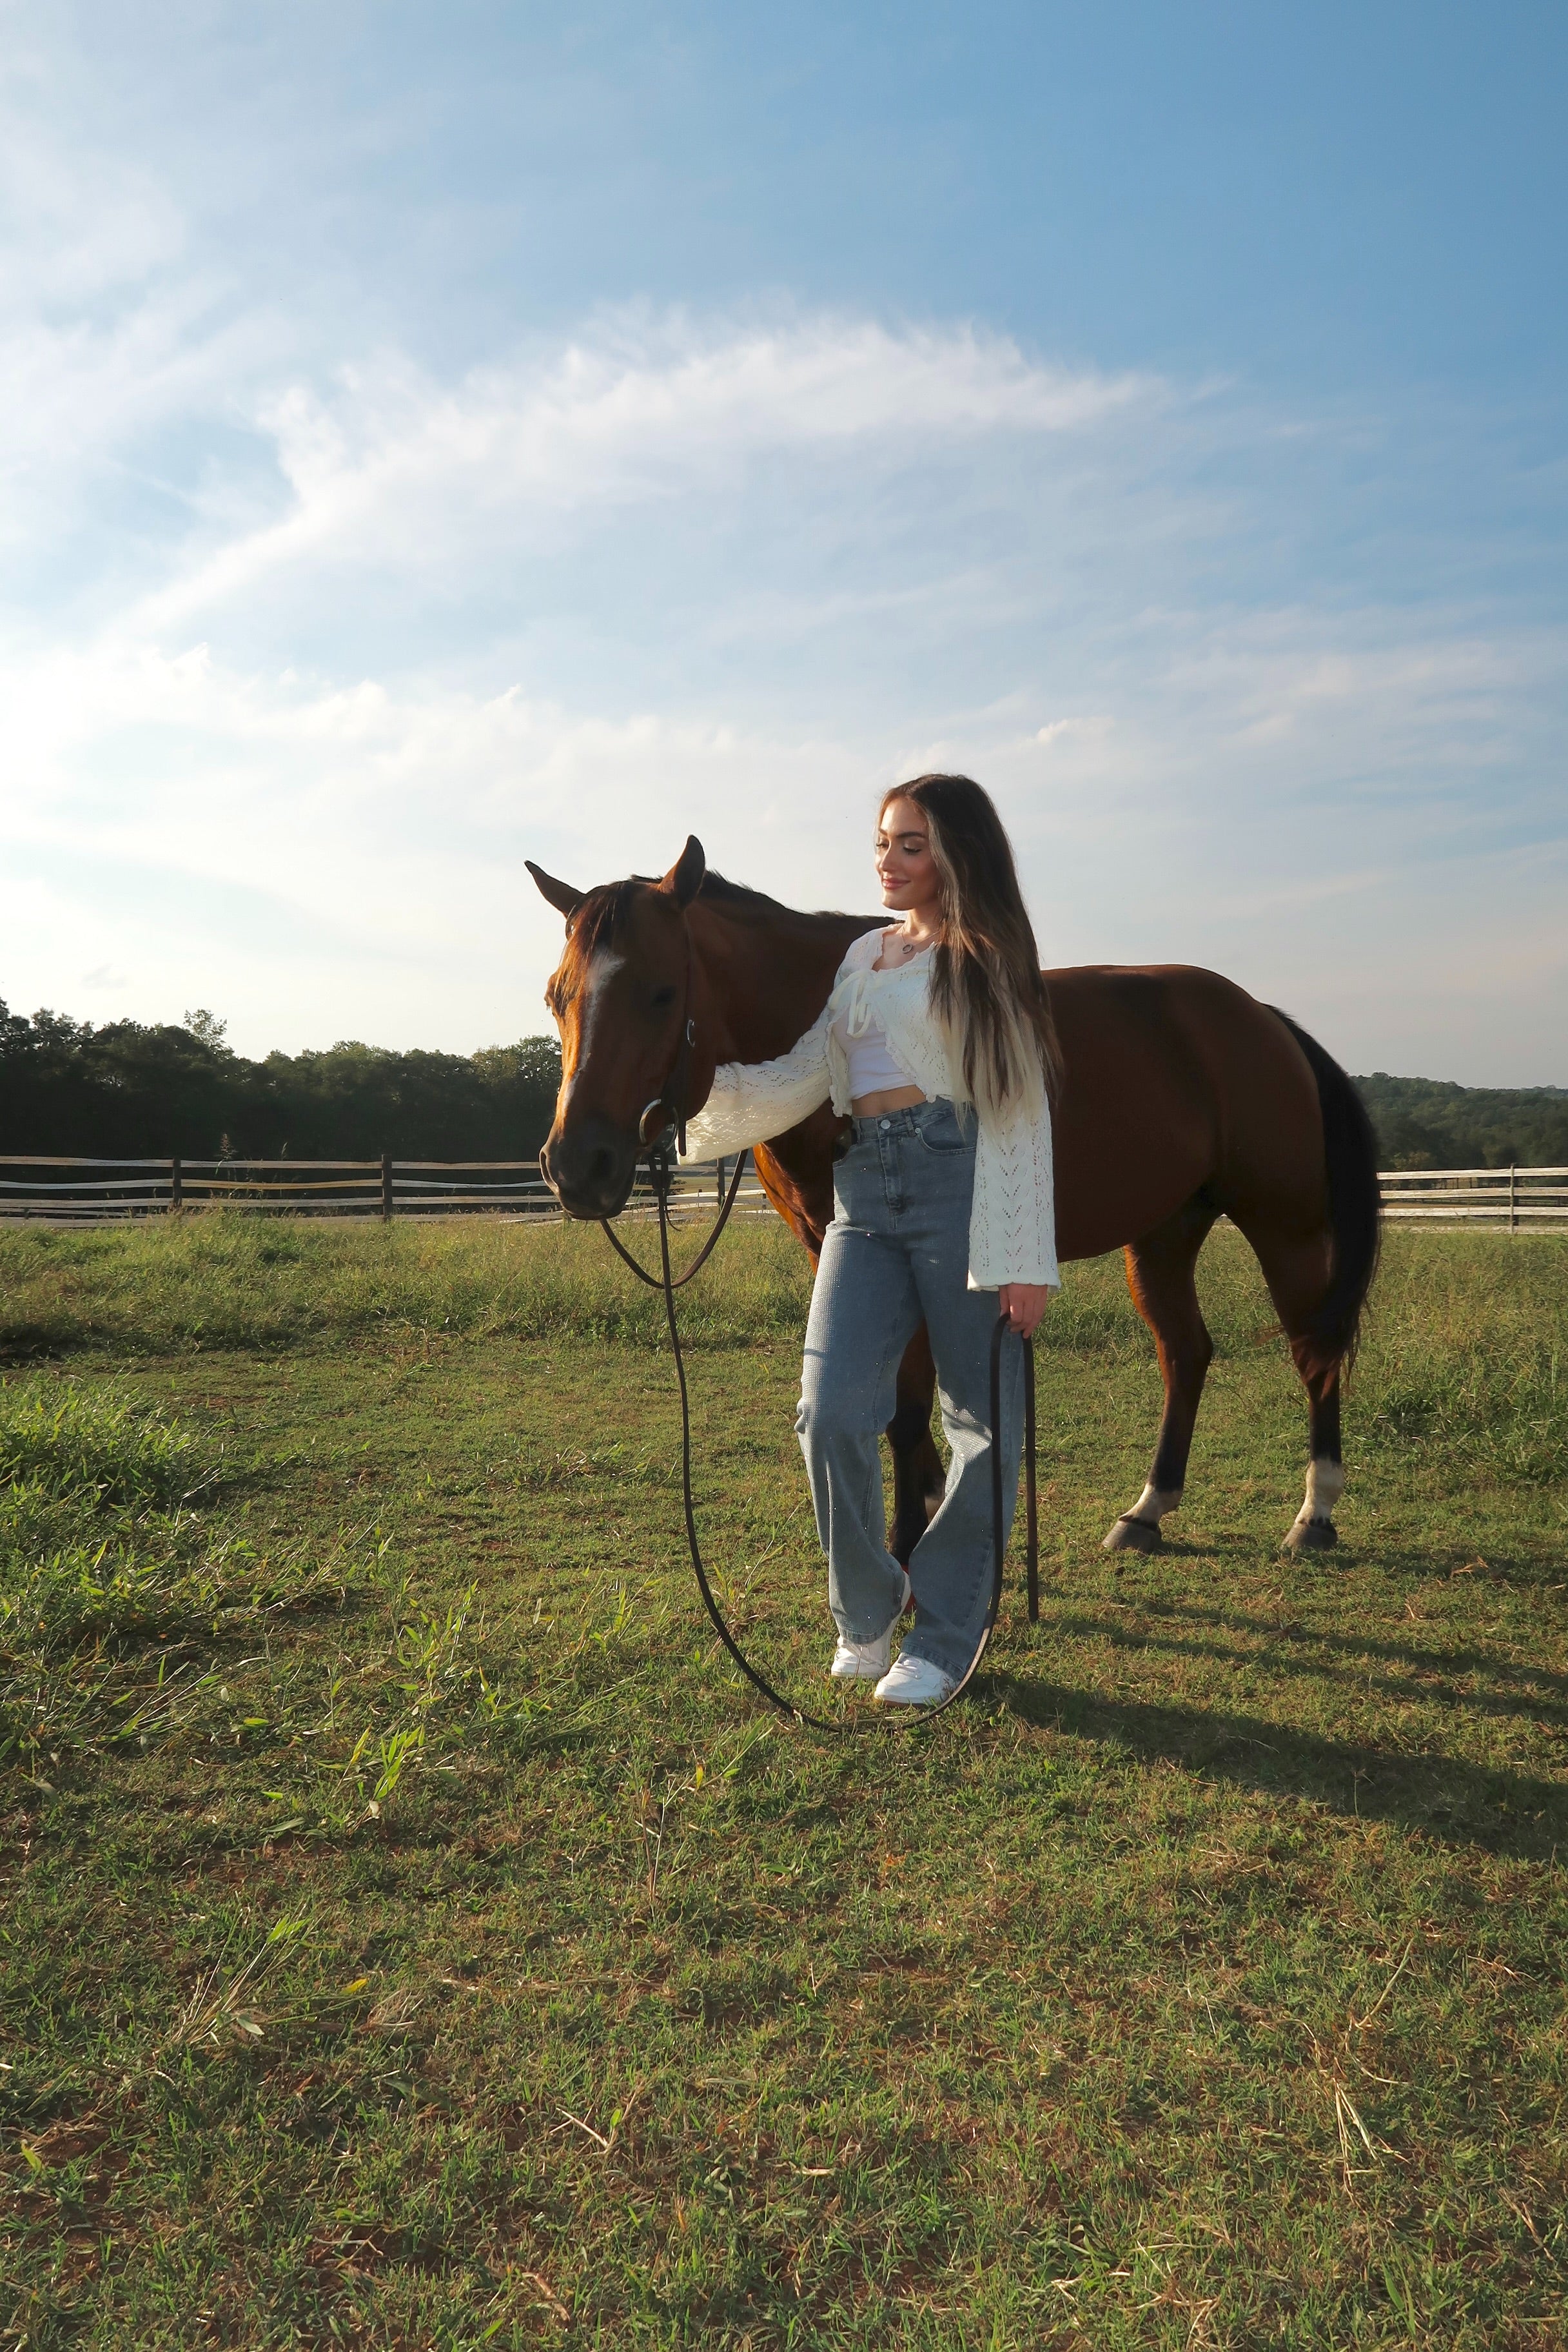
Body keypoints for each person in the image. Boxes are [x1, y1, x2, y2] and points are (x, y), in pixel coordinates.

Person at [682, 774, 1059, 1705]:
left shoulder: (984, 957)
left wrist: (1023, 1256)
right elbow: (812, 1069)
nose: (888, 861)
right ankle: (868, 1605)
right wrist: (687, 1105)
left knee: (981, 1422)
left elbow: (1018, 1106)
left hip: (956, 1179)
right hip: (862, 1191)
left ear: (956, 854)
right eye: (884, 843)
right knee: (829, 1410)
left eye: (911, 845)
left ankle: (946, 1633)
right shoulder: (864, 953)